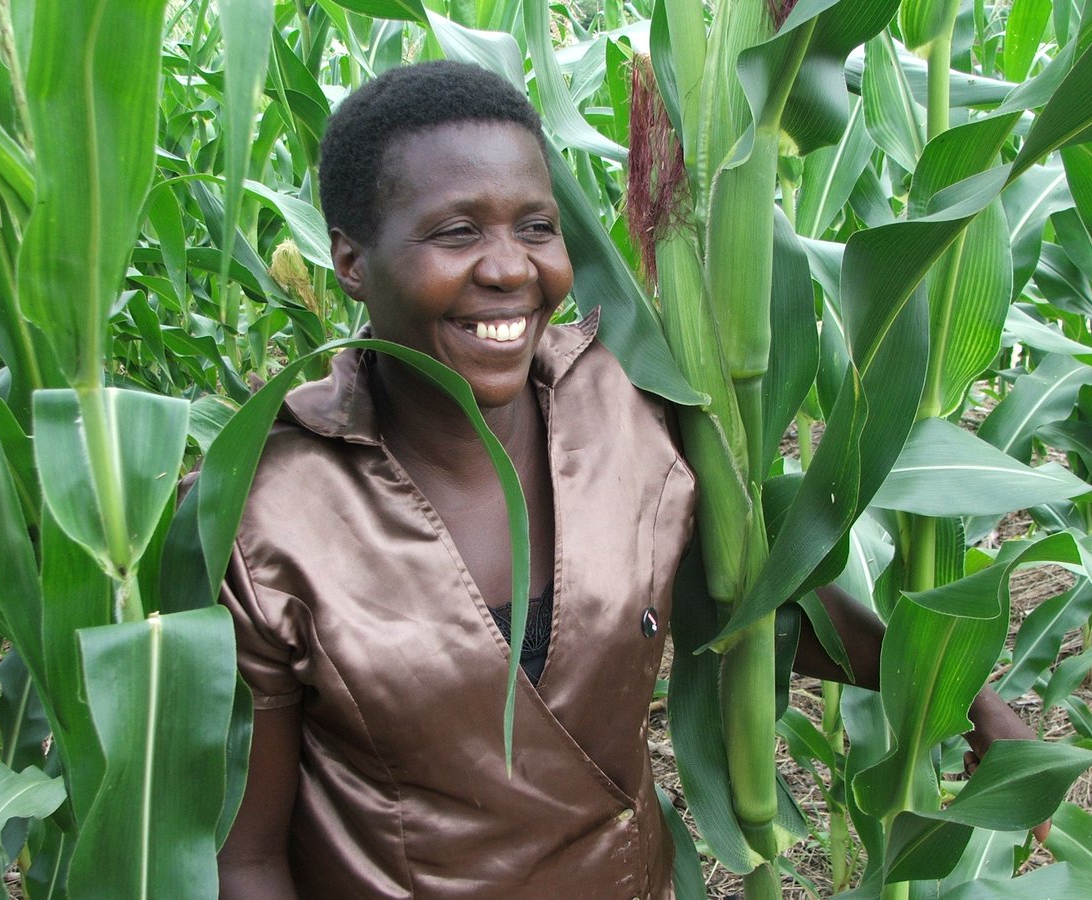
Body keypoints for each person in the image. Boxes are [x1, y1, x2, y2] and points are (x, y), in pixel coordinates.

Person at [216, 61, 1040, 900]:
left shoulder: (623, 404)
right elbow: (243, 856)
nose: (510, 268)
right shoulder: (268, 515)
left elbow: (759, 589)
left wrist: (964, 693)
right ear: (351, 262)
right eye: (456, 232)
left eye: (536, 227)